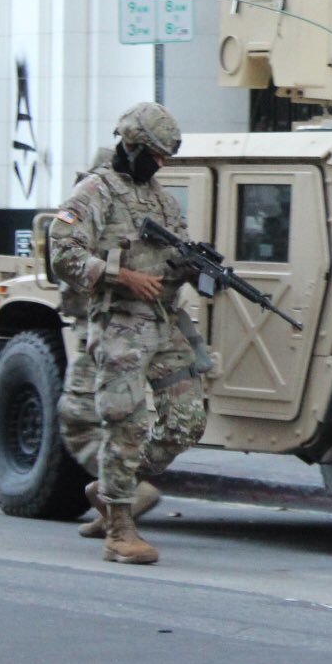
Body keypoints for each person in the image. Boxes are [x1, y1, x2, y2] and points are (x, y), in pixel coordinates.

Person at [49, 102, 214, 564]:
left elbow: (170, 250)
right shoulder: (95, 191)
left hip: (163, 321)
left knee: (186, 420)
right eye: (156, 155)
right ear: (133, 146)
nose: (161, 165)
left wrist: (194, 267)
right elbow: (62, 253)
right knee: (126, 420)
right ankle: (119, 529)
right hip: (119, 320)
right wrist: (121, 276)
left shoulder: (160, 199)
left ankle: (109, 486)